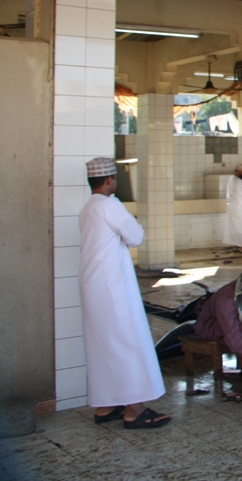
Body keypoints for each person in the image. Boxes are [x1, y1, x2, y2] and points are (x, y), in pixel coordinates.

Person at [79, 157, 170, 429]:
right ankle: (134, 409)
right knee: (128, 343)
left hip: (93, 285)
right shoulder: (109, 204)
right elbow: (136, 236)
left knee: (104, 345)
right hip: (112, 288)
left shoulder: (88, 208)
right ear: (109, 180)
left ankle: (106, 405)